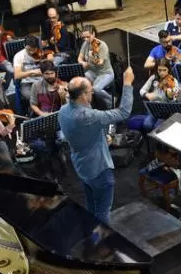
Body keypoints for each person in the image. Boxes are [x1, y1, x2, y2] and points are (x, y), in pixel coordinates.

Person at [58, 65, 135, 225]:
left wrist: (101, 138)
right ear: (84, 95)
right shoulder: (88, 115)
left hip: (81, 165)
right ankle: (103, 243)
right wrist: (127, 83)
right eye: (91, 91)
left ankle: (90, 234)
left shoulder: (63, 111)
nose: (93, 93)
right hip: (98, 168)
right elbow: (123, 113)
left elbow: (83, 131)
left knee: (91, 205)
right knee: (103, 211)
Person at [78, 25, 114, 108]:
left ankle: (111, 100)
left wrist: (92, 57)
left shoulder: (102, 45)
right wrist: (82, 62)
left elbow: (100, 62)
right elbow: (80, 57)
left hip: (105, 73)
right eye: (84, 38)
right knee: (81, 85)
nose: (86, 39)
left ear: (93, 34)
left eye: (88, 37)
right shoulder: (85, 44)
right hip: (92, 72)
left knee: (96, 89)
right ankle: (89, 104)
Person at [13, 36, 44, 113]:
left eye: (34, 49)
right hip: (27, 83)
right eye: (29, 50)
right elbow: (17, 75)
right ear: (24, 46)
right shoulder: (19, 56)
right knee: (35, 98)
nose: (31, 52)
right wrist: (32, 72)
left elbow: (49, 68)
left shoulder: (41, 53)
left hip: (42, 81)